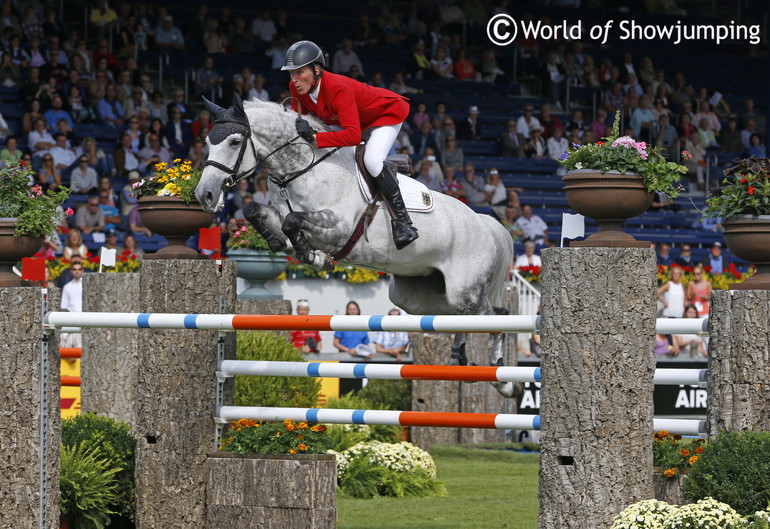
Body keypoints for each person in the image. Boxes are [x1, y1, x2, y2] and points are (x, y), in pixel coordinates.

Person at [283, 40, 417, 250]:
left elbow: (353, 136)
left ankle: (403, 222)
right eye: (291, 73)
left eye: (299, 72)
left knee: (372, 160)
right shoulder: (295, 87)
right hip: (349, 122)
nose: (295, 79)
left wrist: (316, 138)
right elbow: (300, 122)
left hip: (383, 116)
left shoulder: (338, 88)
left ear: (316, 70)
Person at [59, 261, 84, 348]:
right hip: (71, 321)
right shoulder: (67, 286)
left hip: (85, 320)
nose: (77, 271)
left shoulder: (87, 285)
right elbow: (64, 308)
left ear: (82, 271)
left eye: (79, 269)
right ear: (71, 271)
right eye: (75, 269)